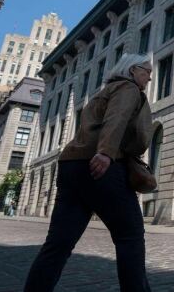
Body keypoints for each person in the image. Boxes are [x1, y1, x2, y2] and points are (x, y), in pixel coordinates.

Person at [24, 53, 154, 292]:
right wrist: (106, 152)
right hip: (102, 166)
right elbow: (118, 118)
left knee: (58, 244)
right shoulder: (128, 88)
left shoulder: (101, 94)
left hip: (71, 166)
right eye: (147, 71)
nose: (149, 77)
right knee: (130, 237)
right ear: (133, 70)